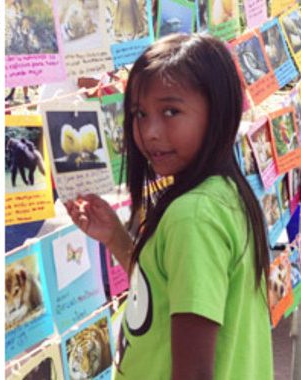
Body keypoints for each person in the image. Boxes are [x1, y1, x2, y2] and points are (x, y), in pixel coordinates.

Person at [63, 34, 271, 379]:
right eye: (140, 114)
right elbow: (163, 293)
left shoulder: (193, 216)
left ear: (218, 112)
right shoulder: (223, 194)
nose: (150, 131)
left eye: (171, 111)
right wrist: (116, 238)